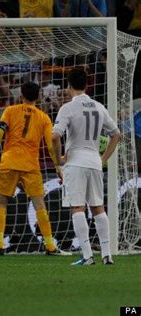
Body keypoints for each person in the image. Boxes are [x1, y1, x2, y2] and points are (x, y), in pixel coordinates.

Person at [0, 81, 70, 256]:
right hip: (31, 165)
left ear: (21, 95)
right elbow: (50, 145)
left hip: (9, 162)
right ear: (38, 97)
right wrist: (57, 166)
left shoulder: (10, 111)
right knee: (39, 204)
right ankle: (50, 247)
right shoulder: (44, 117)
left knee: (1, 202)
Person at [52, 69, 121, 265]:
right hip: (94, 162)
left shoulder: (68, 108)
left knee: (77, 207)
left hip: (75, 162)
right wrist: (103, 159)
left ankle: (87, 255)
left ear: (68, 86)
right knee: (98, 207)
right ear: (87, 85)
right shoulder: (99, 107)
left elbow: (55, 136)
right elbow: (116, 135)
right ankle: (107, 254)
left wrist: (59, 160)